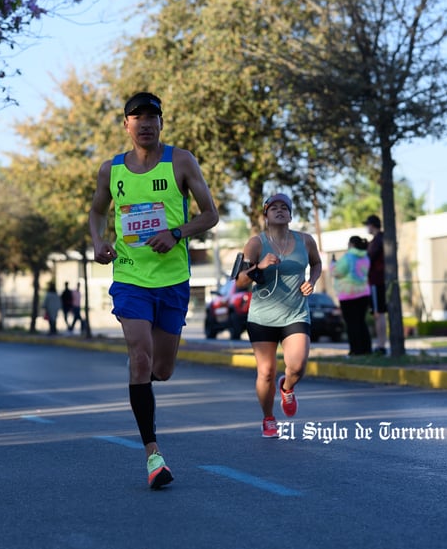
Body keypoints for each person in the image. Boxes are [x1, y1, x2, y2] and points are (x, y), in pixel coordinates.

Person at [88, 91, 219, 489]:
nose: (145, 123)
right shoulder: (111, 170)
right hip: (130, 277)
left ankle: (143, 380)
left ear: (161, 123)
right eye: (137, 116)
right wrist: (98, 242)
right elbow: (97, 211)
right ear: (126, 124)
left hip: (172, 280)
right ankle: (153, 455)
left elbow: (210, 214)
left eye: (152, 117)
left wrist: (176, 232)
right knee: (139, 356)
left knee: (161, 369)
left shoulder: (180, 160)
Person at [234, 193, 322, 439]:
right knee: (266, 372)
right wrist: (259, 266)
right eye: (274, 207)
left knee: (297, 365)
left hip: (295, 312)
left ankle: (287, 387)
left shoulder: (305, 241)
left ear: (291, 215)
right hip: (262, 316)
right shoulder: (256, 243)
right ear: (266, 214)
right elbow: (240, 282)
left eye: (285, 207)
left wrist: (312, 281)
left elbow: (316, 264)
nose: (280, 210)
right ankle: (268, 418)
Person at [331, 236, 372, 356]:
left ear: (352, 244)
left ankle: (355, 350)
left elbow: (337, 272)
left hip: (348, 294)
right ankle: (366, 349)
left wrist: (333, 264)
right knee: (361, 322)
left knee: (351, 324)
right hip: (364, 293)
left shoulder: (347, 257)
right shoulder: (366, 257)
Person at [364, 214, 387, 354]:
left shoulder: (378, 241)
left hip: (376, 281)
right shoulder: (380, 239)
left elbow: (369, 259)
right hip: (378, 280)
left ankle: (381, 345)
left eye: (367, 224)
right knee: (379, 313)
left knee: (379, 313)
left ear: (372, 225)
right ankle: (381, 343)